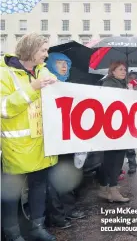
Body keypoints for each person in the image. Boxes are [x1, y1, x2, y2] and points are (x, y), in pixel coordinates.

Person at [1, 33, 58, 241]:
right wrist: (32, 89)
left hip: (42, 143)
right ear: (31, 50)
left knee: (38, 188)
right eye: (43, 50)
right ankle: (13, 234)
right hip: (16, 146)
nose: (47, 54)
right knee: (10, 194)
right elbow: (4, 108)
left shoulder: (43, 70)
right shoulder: (4, 73)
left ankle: (37, 227)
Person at [44, 52, 86, 230]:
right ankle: (57, 216)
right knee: (53, 179)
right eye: (60, 63)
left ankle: (69, 209)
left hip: (66, 138)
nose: (64, 67)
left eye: (66, 64)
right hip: (52, 138)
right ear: (51, 64)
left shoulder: (66, 85)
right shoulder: (46, 85)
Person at [97, 61, 131, 203]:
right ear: (113, 71)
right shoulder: (109, 84)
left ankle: (106, 189)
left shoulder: (121, 84)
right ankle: (112, 189)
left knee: (114, 159)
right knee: (113, 160)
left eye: (125, 70)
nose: (124, 72)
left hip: (120, 127)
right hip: (112, 128)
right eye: (120, 69)